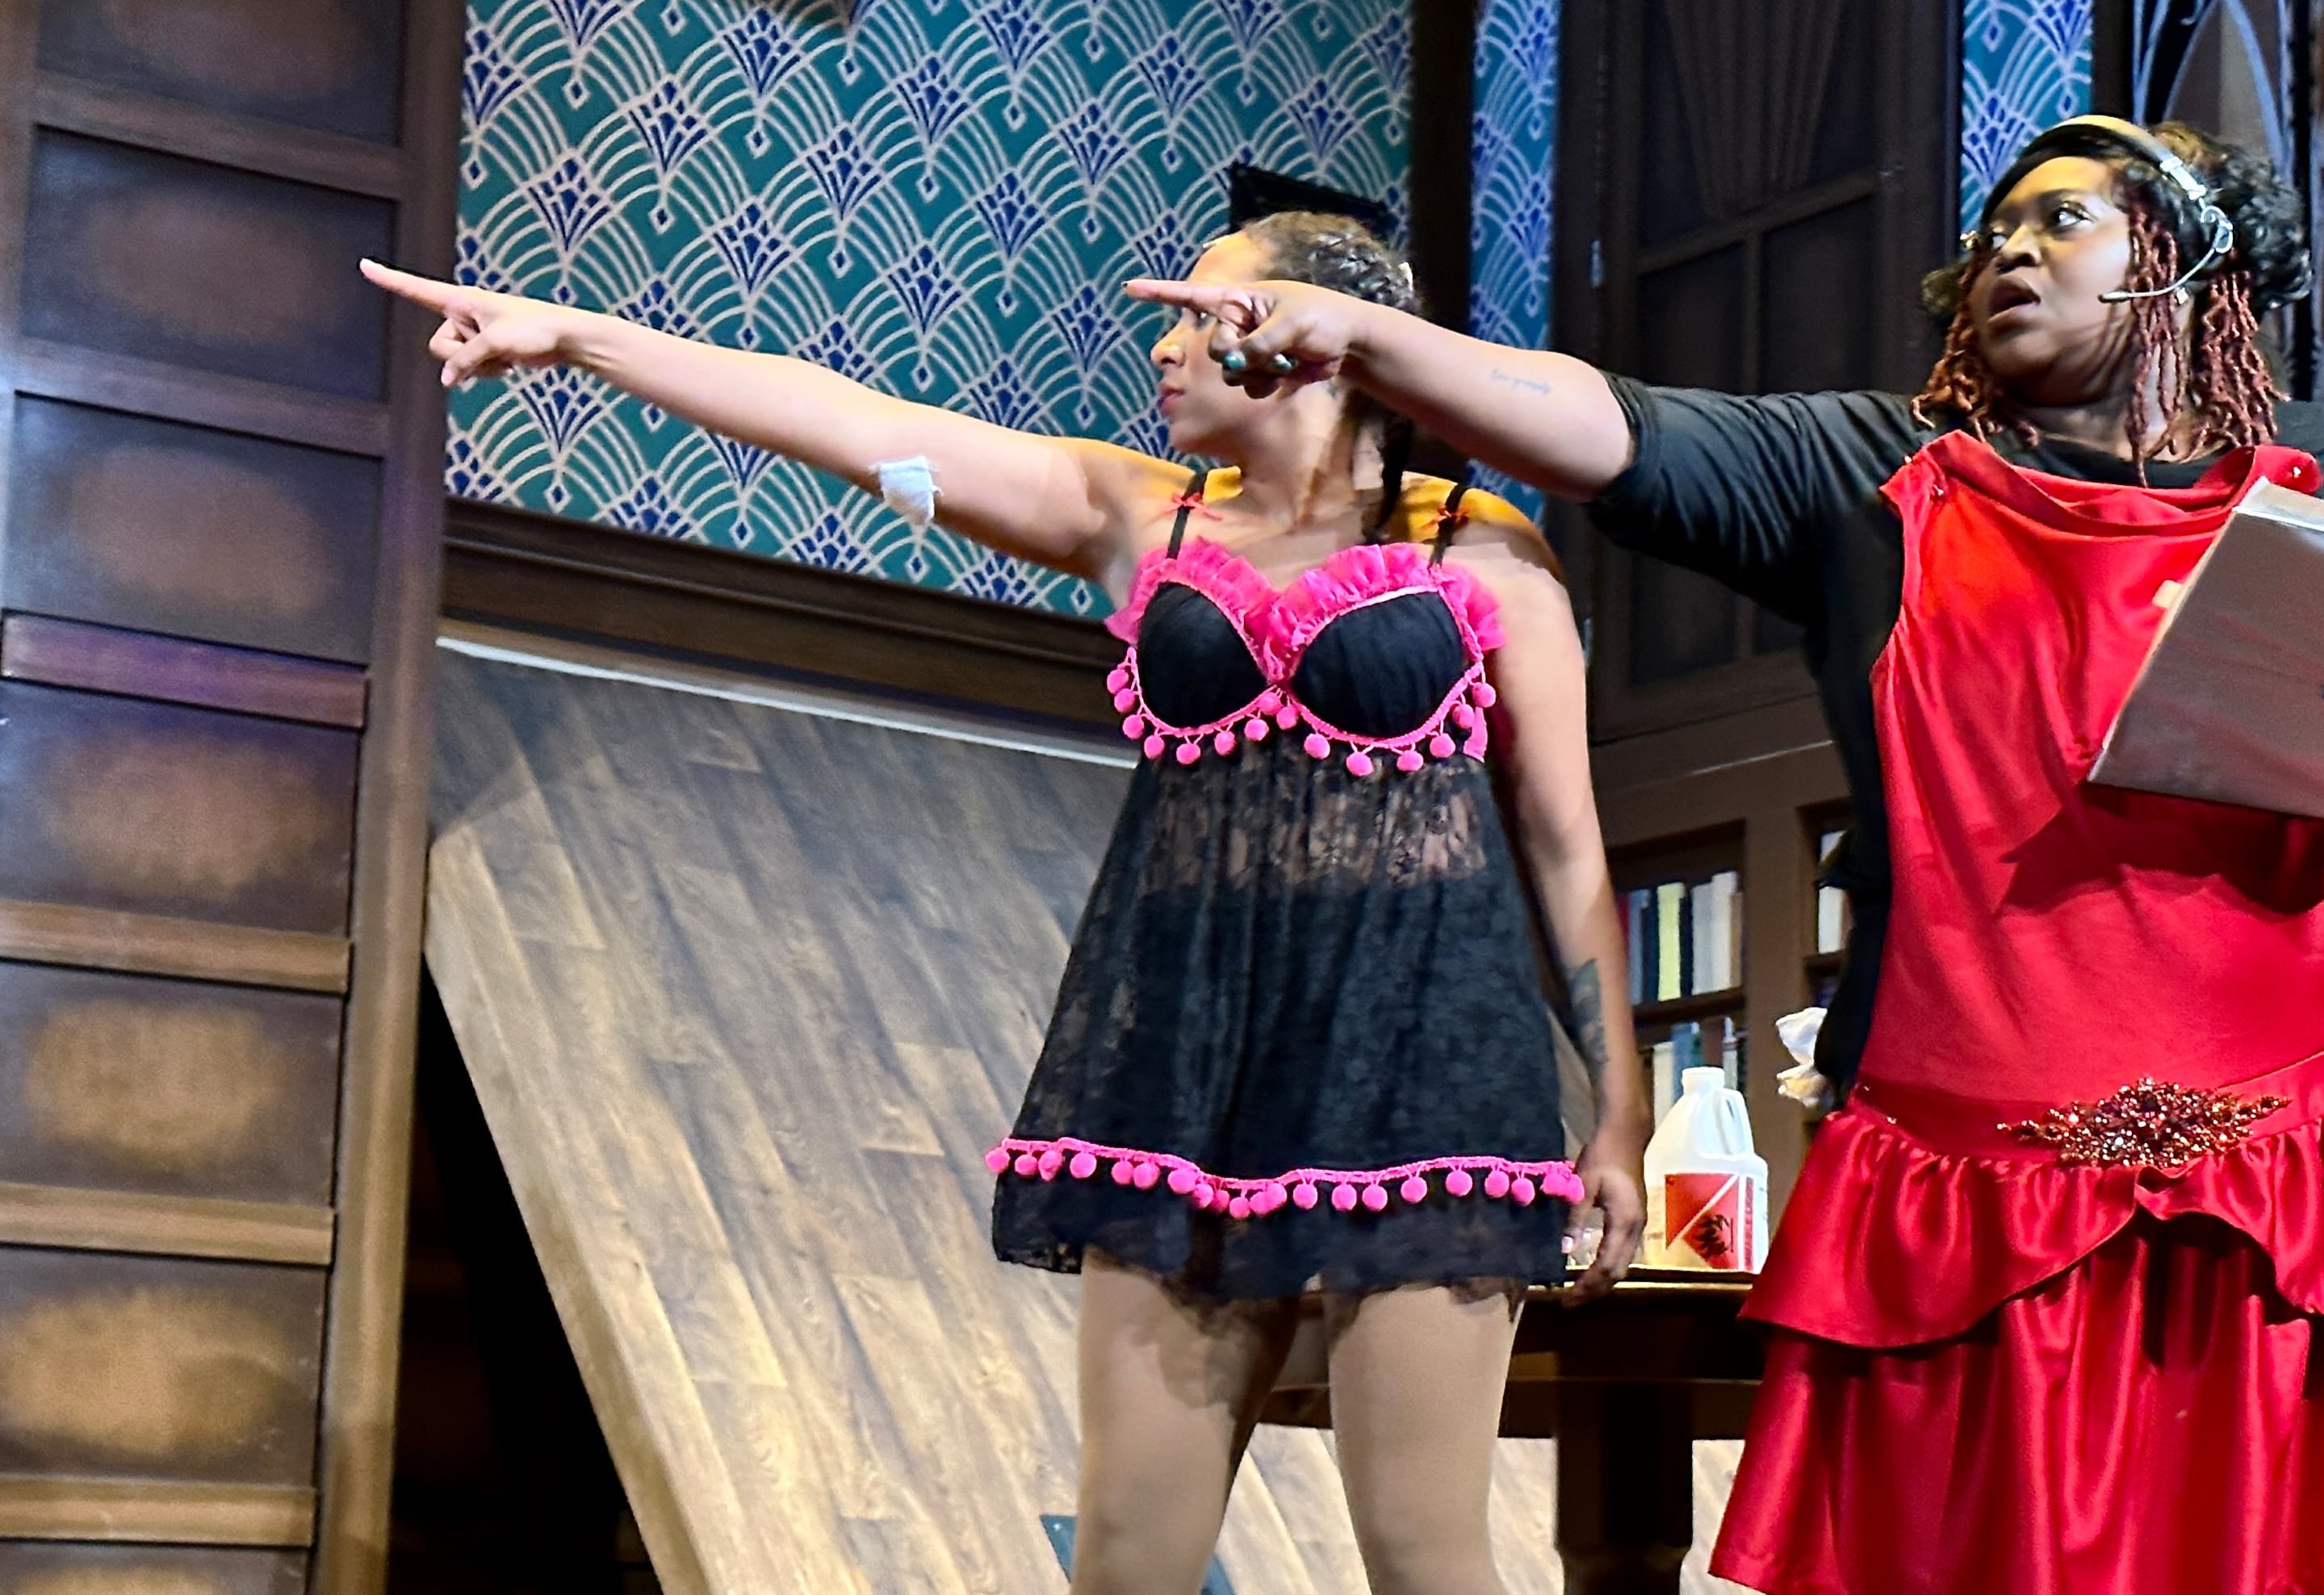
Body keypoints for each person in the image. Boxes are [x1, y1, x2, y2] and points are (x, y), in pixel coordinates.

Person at [1126, 119, 2324, 1594]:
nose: (2009, 249)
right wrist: (1365, 336)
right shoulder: (1874, 473)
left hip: (2288, 1176)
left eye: (2065, 218)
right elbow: (1599, 421)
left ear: (2189, 249)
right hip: (1969, 1176)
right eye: (1994, 233)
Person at [362, 212, 1648, 1595]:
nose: (1161, 346)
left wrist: (1619, 1113)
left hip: (1426, 1077)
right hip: (1179, 1076)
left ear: (1311, 332)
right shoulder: (1133, 515)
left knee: (1423, 1557)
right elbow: (857, 426)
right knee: (1126, 1561)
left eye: (1196, 313)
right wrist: (582, 341)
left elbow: (1565, 847)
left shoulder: (1482, 551)